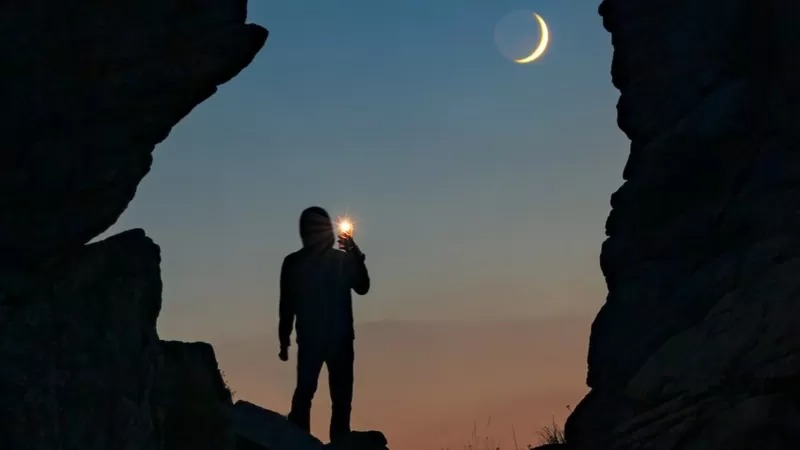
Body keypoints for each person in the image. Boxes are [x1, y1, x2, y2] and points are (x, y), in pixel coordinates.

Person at [278, 206, 371, 442]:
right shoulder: (294, 263)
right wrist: (284, 337)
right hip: (320, 339)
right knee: (310, 396)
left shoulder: (334, 260)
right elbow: (287, 303)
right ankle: (303, 441)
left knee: (334, 399)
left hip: (332, 339)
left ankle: (325, 442)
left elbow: (362, 286)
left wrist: (354, 253)